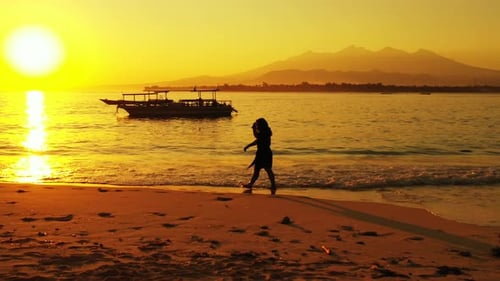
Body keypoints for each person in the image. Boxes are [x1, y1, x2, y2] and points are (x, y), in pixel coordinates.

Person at [243, 118, 276, 195]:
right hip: (266, 152)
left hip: (263, 153)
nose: (256, 125)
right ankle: (272, 185)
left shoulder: (263, 132)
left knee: (262, 170)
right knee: (265, 169)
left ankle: (252, 184)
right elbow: (257, 138)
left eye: (257, 124)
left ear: (260, 125)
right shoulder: (267, 131)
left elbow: (257, 139)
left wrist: (248, 145)